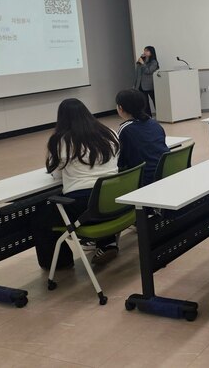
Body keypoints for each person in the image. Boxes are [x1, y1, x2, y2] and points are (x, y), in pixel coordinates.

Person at [35, 99, 120, 269]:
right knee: (98, 194)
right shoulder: (109, 133)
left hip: (83, 205)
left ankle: (60, 263)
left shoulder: (61, 141)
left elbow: (56, 174)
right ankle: (107, 243)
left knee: (41, 216)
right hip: (113, 200)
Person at [116, 88, 168, 185]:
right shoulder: (154, 123)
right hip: (165, 173)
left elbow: (119, 160)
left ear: (120, 108)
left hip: (144, 179)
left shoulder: (125, 129)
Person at [134, 46, 159, 117]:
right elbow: (137, 73)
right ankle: (148, 117)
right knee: (144, 102)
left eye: (147, 51)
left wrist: (143, 63)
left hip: (150, 85)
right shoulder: (142, 60)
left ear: (151, 52)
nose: (145, 52)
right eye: (144, 50)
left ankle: (160, 115)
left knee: (155, 101)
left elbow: (148, 71)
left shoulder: (154, 62)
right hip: (140, 85)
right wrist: (135, 84)